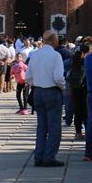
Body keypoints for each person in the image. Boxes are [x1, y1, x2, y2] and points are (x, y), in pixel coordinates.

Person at [26, 30, 67, 167]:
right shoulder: (56, 56)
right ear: (54, 40)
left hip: (38, 92)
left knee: (41, 126)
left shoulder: (35, 55)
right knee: (54, 127)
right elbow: (58, 77)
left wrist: (36, 84)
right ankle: (49, 156)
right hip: (52, 91)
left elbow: (28, 77)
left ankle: (39, 156)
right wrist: (63, 87)